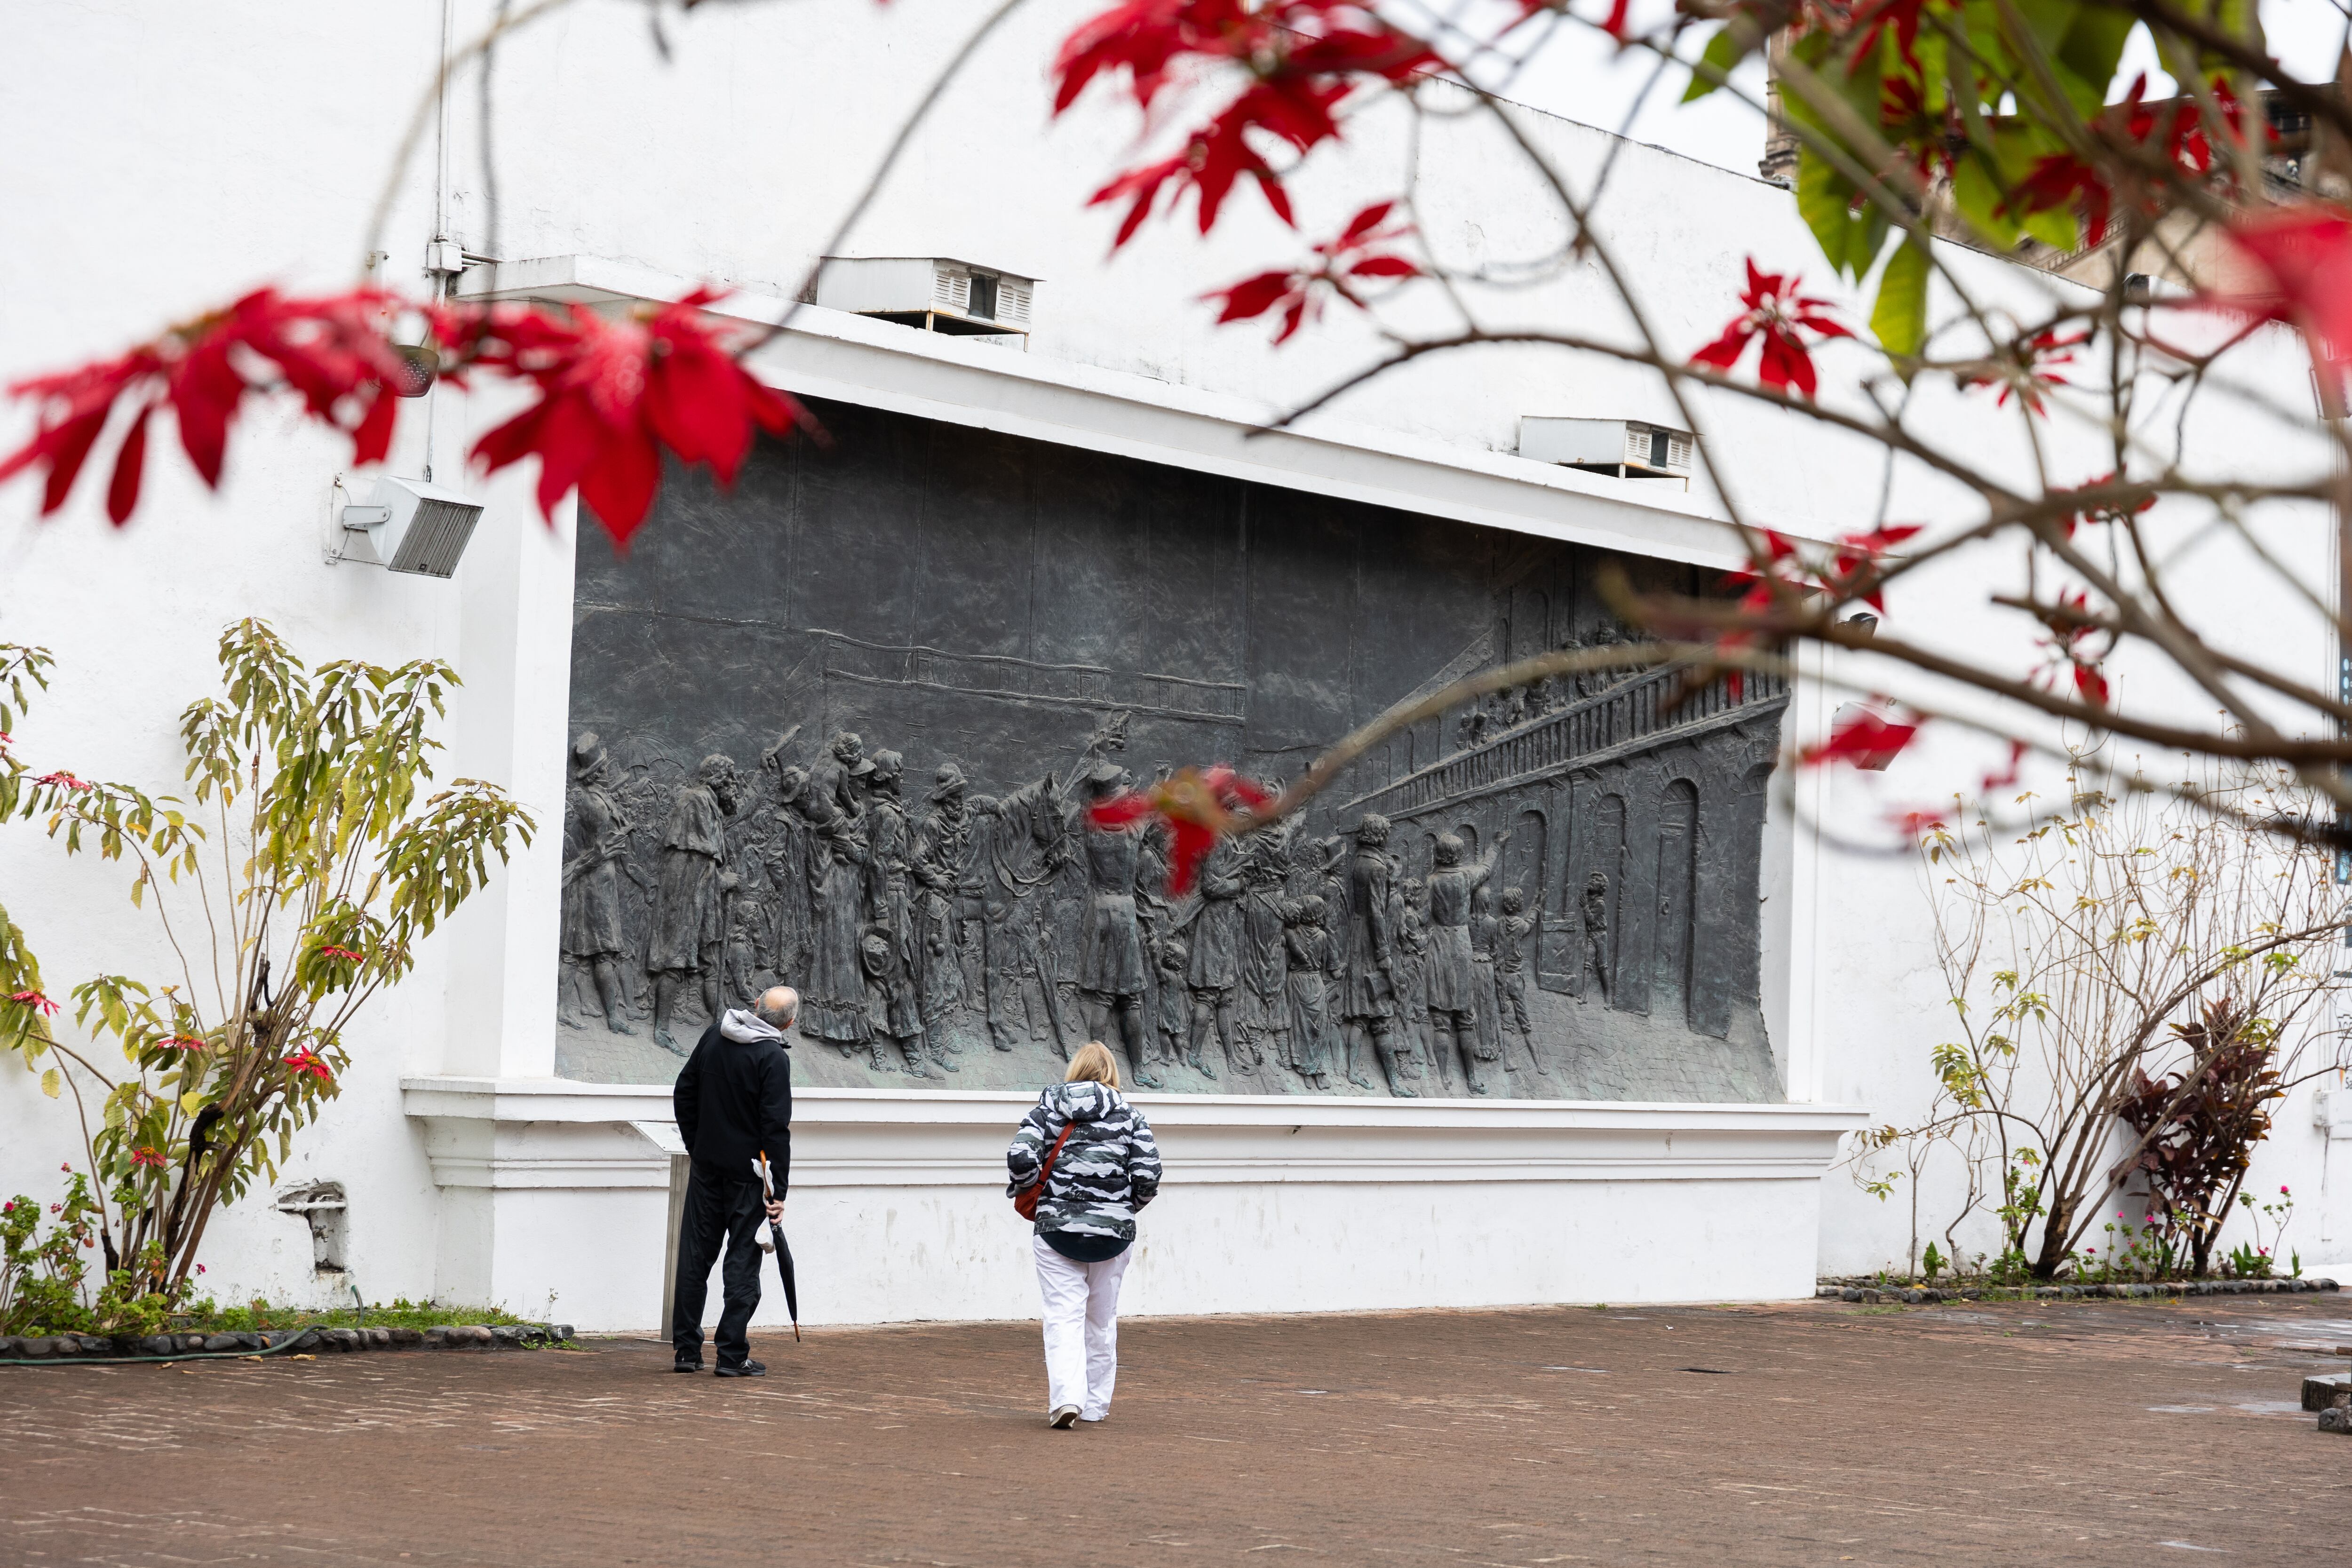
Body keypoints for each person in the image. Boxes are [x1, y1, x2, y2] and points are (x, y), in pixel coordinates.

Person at [1006, 1042, 1162, 1429]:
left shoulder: (1046, 1111)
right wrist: (1121, 1208)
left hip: (1056, 1230)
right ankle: (1095, 1404)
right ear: (1112, 1073)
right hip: (1113, 1234)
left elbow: (1021, 1157)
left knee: (1063, 1317)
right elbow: (1148, 1175)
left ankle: (1066, 1400)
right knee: (1100, 1320)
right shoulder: (1131, 1116)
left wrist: (1037, 1192)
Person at [671, 985, 798, 1378]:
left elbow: (684, 1092)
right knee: (743, 1264)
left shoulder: (715, 1033)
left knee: (695, 1258)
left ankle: (686, 1352)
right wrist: (777, 1191)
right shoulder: (772, 1057)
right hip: (750, 1177)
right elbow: (775, 1129)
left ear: (756, 1006)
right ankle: (730, 1355)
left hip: (707, 1169)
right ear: (790, 1022)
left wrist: (699, 1146)